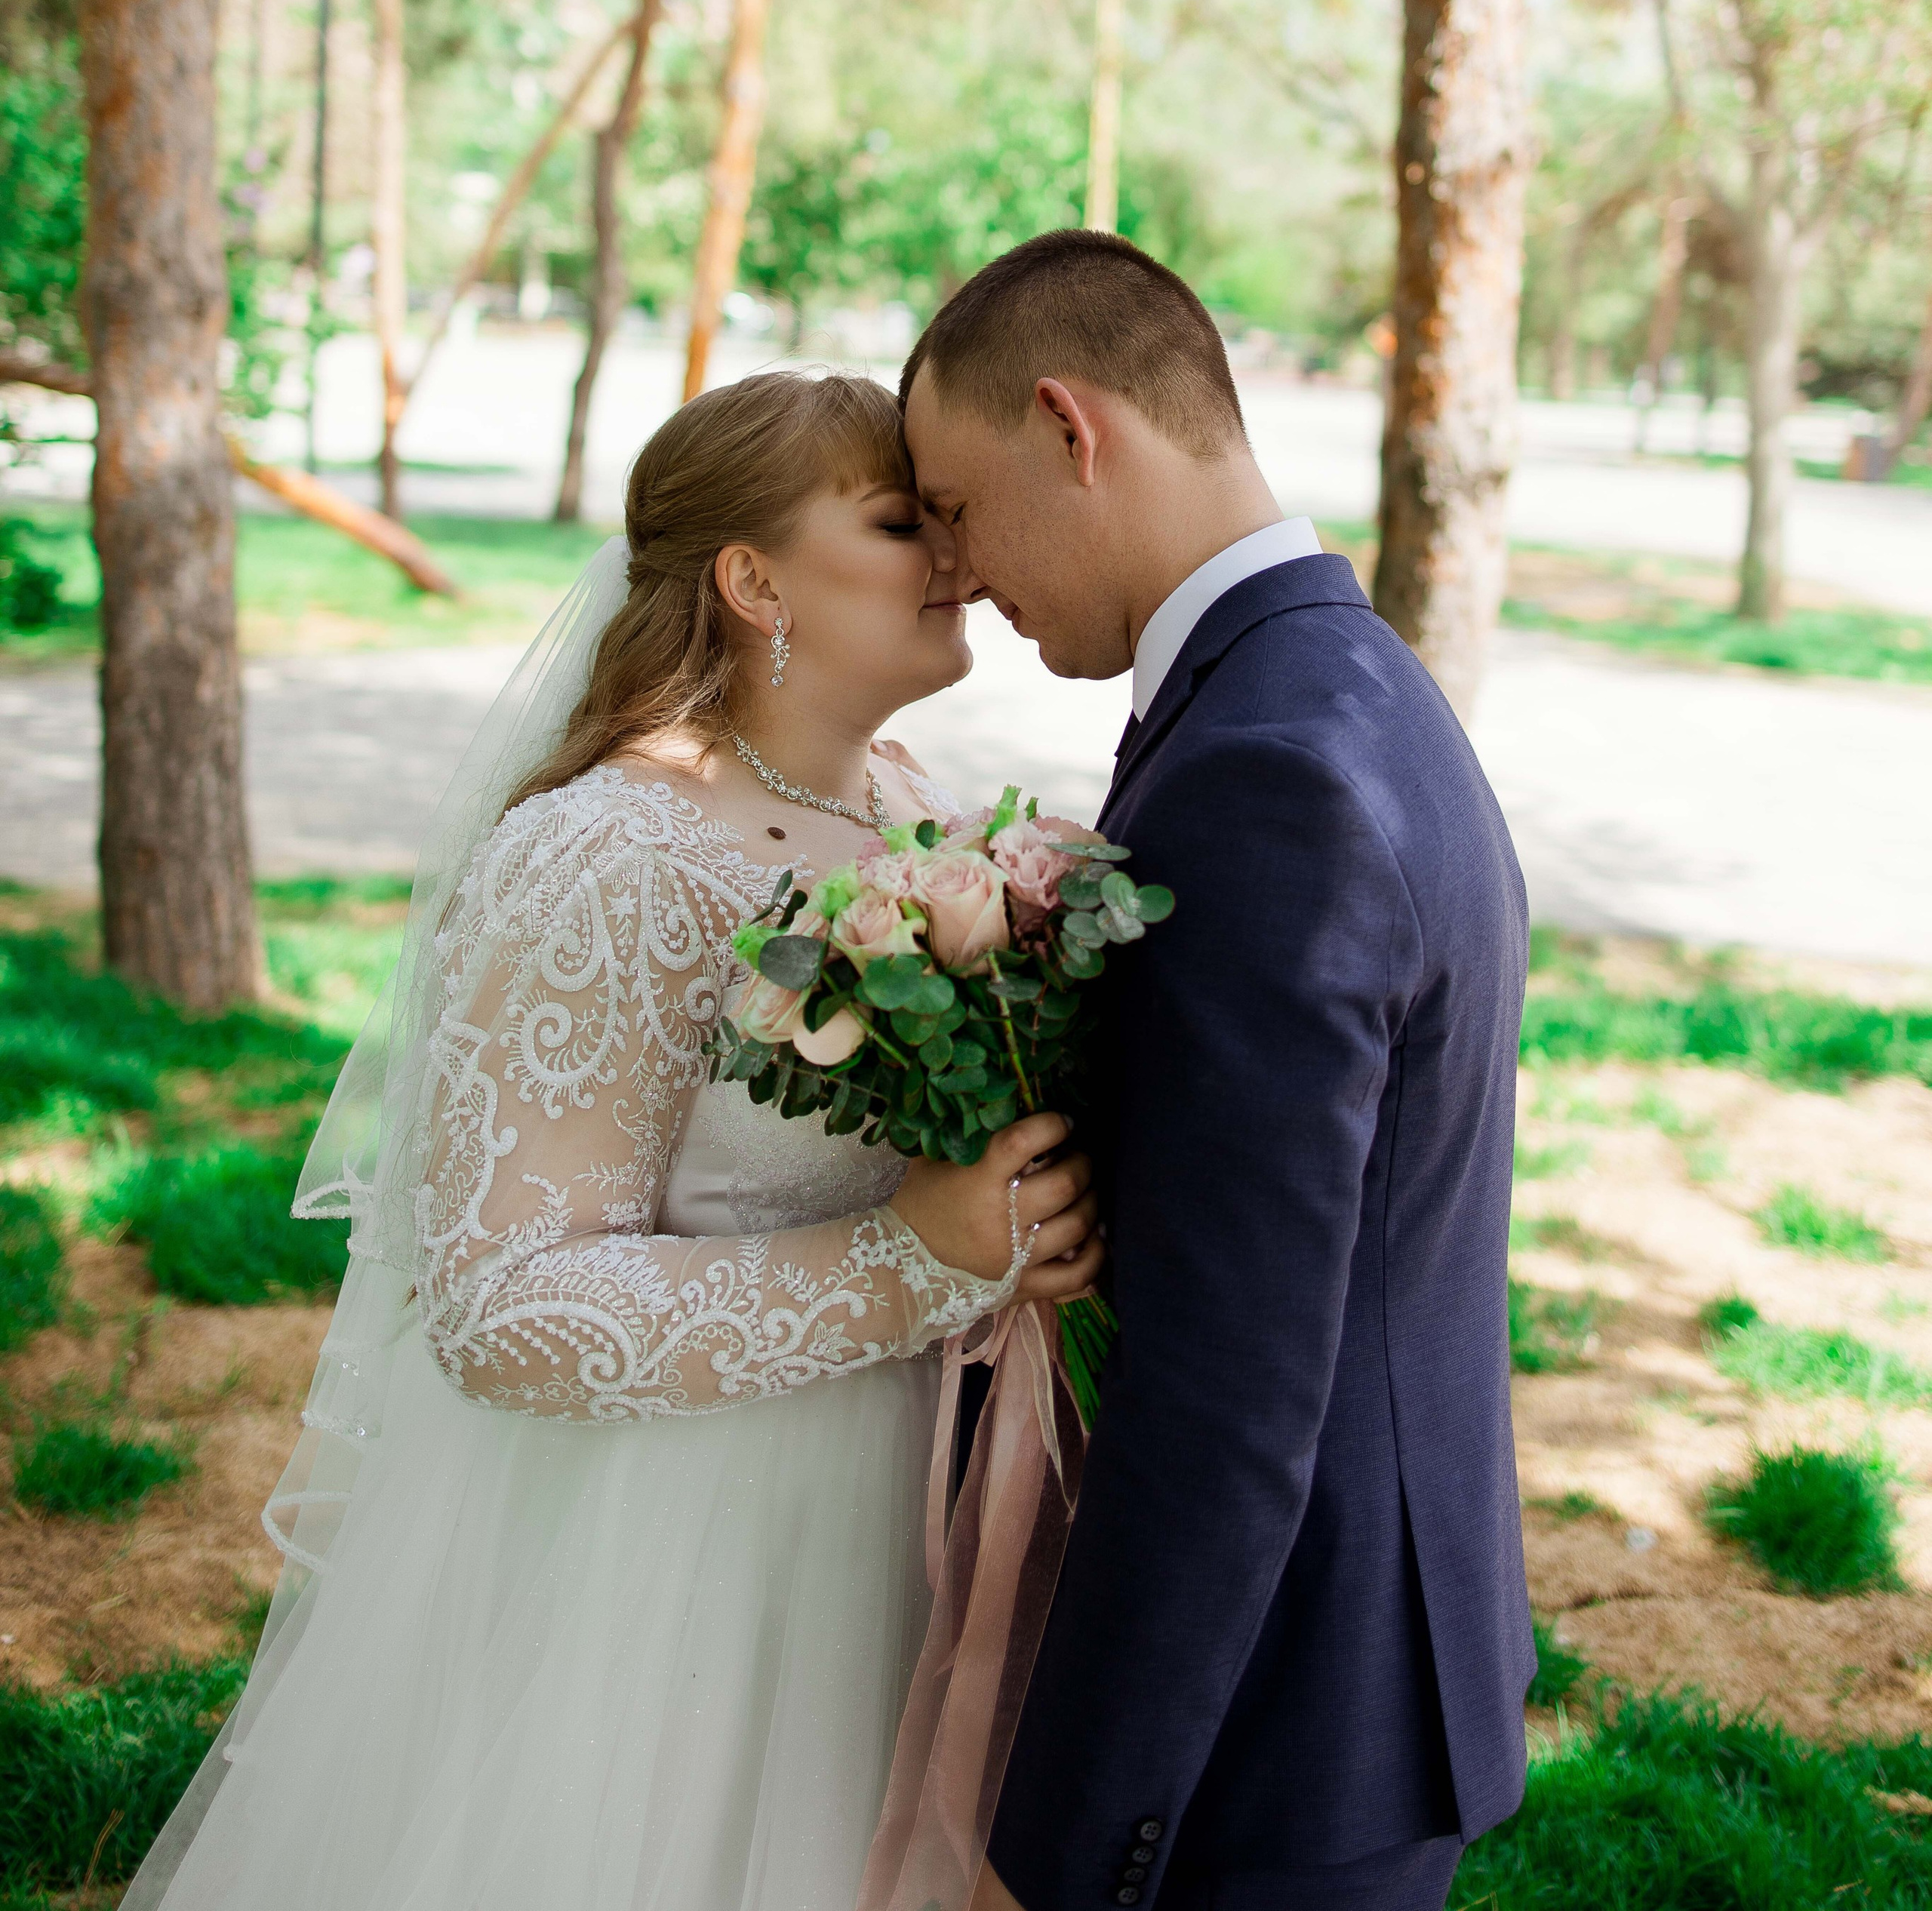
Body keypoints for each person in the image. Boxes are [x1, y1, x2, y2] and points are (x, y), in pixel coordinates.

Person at [122, 370, 1100, 1911]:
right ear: (754, 580)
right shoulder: (604, 855)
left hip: (904, 1521)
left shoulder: (917, 814)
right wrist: (913, 1259)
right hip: (676, 1557)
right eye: (900, 520)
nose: (956, 555)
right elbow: (502, 1303)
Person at [900, 232, 1532, 1911]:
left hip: (1276, 1737)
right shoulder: (1333, 678)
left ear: (1068, 426)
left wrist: (1063, 1849)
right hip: (1352, 1675)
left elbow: (1231, 1382)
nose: (952, 568)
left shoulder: (1268, 768)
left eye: (954, 505)